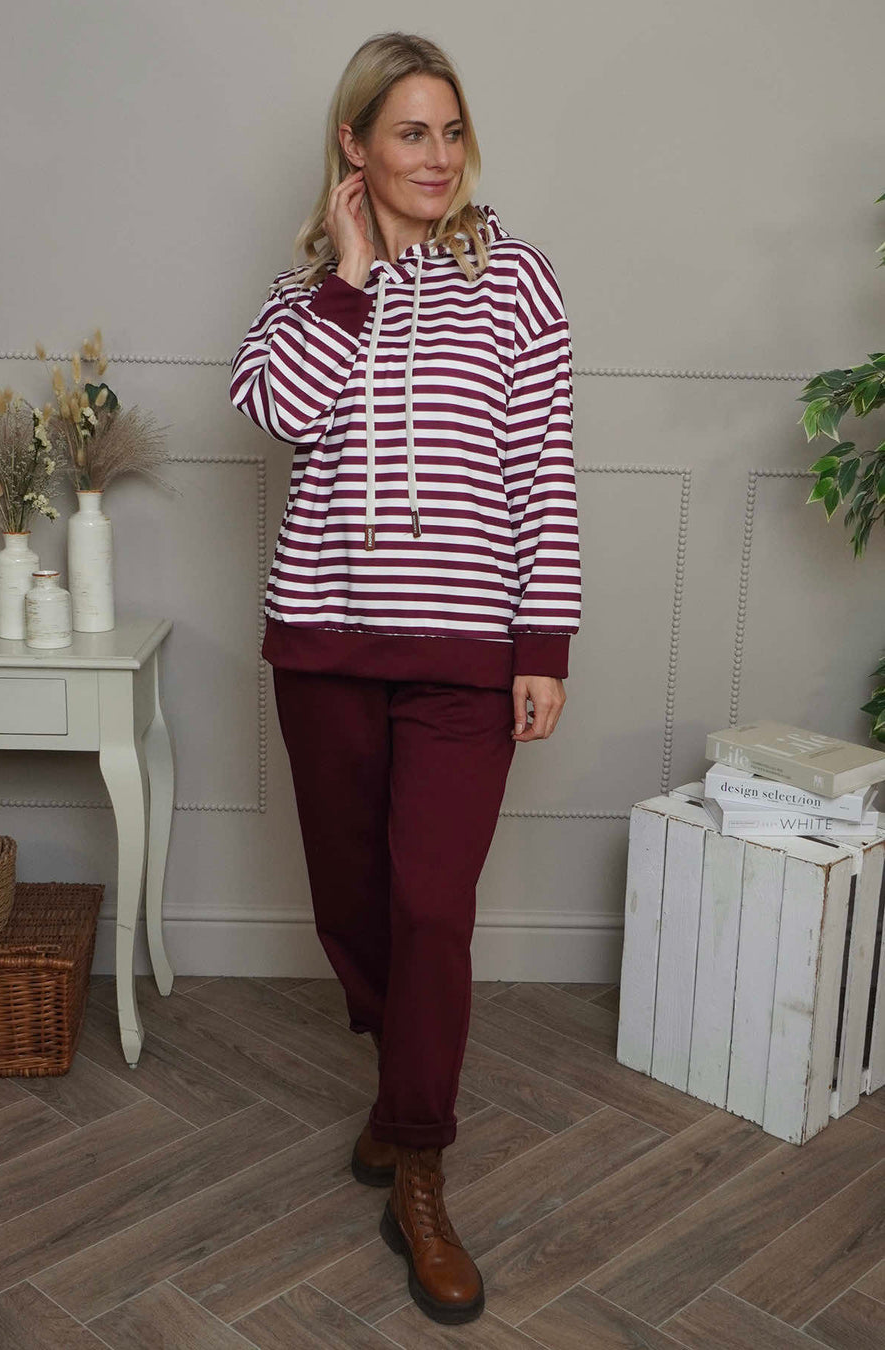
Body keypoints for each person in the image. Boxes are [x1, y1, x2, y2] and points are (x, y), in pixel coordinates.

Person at [229, 30, 581, 1326]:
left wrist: (542, 643)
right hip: (323, 647)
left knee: (433, 907)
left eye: (450, 131)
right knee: (356, 908)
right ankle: (399, 1092)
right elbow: (274, 412)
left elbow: (544, 470)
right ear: (355, 145)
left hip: (464, 657)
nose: (437, 157)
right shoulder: (303, 297)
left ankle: (419, 1166)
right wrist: (352, 279)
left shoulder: (518, 280)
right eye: (409, 133)